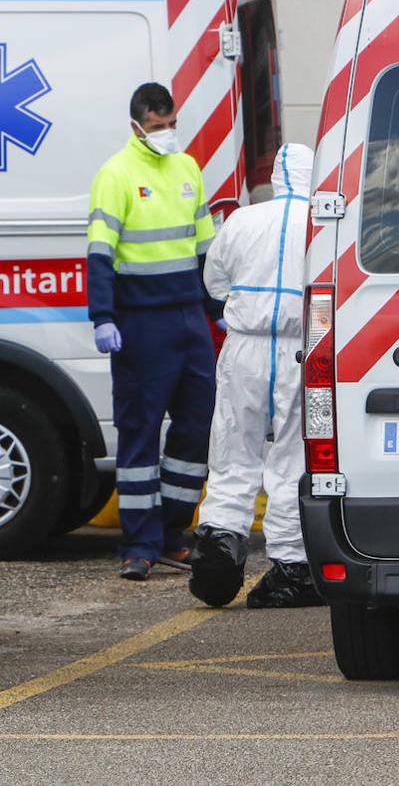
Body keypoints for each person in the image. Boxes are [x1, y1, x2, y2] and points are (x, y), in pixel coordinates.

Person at [88, 82, 221, 582]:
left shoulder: (187, 168)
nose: (167, 134)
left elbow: (206, 247)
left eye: (171, 124)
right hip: (140, 323)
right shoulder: (116, 175)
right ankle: (139, 545)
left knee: (194, 428)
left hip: (189, 319)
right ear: (137, 126)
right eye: (157, 126)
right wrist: (103, 315)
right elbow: (100, 253)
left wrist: (218, 306)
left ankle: (171, 533)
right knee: (140, 433)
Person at [189, 143, 323, 609]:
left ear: (277, 178)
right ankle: (293, 568)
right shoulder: (323, 221)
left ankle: (218, 556)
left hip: (244, 348)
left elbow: (214, 283)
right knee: (290, 458)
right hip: (299, 351)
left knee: (232, 450)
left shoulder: (242, 220)